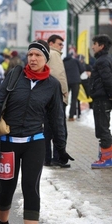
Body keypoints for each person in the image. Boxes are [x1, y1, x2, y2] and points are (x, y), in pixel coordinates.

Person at [0, 40, 74, 224]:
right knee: (5, 189)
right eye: (30, 54)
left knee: (30, 188)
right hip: (9, 143)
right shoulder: (15, 76)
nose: (33, 59)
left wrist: (61, 147)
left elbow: (56, 118)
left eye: (38, 55)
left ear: (46, 59)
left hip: (35, 142)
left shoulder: (52, 84)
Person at [44, 34, 69, 167]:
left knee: (47, 130)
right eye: (59, 44)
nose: (62, 46)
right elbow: (59, 76)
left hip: (49, 96)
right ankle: (58, 158)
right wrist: (64, 92)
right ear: (51, 43)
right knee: (59, 129)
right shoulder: (53, 54)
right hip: (56, 97)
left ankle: (47, 158)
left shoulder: (49, 54)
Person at [89, 34, 112, 168]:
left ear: (101, 46)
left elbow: (107, 80)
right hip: (103, 98)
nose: (92, 47)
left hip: (102, 99)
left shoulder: (102, 61)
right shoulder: (105, 59)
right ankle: (106, 156)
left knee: (102, 129)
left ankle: (106, 159)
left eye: (95, 44)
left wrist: (110, 95)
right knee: (103, 128)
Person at [63, 53, 85, 121]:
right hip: (75, 81)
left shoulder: (63, 62)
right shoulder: (75, 61)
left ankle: (63, 115)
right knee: (74, 99)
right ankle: (71, 116)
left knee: (64, 98)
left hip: (66, 81)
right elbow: (82, 69)